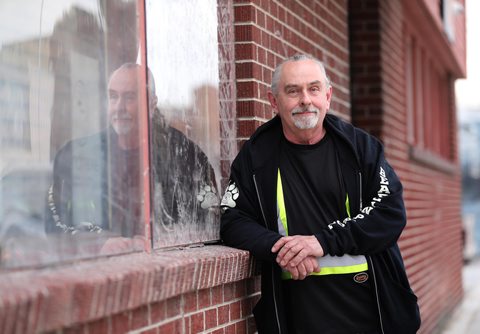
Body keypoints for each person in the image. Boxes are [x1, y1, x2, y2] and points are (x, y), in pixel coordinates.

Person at [220, 54, 420, 334]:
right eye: (293, 91)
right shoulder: (255, 158)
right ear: (274, 101)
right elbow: (232, 220)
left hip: (372, 315)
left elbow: (390, 214)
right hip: (298, 316)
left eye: (313, 89)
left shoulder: (361, 149)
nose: (305, 99)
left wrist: (320, 242)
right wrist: (282, 249)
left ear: (327, 96)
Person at [47, 63, 218, 252]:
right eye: (113, 97)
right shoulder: (76, 156)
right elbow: (53, 223)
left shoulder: (186, 157)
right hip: (97, 272)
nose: (119, 107)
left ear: (152, 103)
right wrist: (98, 243)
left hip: (164, 273)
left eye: (130, 97)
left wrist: (160, 241)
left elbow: (211, 224)